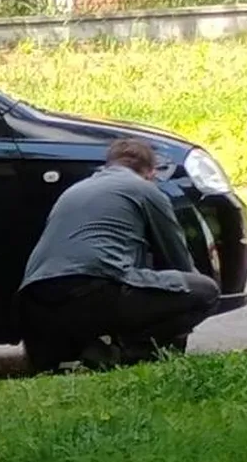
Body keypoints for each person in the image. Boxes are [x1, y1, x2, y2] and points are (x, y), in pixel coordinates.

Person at [20, 136, 223, 371]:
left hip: (34, 304)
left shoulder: (73, 191)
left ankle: (89, 348)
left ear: (109, 164)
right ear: (151, 172)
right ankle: (123, 351)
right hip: (94, 291)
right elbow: (178, 262)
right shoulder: (146, 191)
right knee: (205, 291)